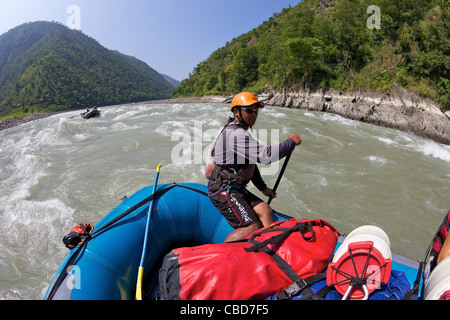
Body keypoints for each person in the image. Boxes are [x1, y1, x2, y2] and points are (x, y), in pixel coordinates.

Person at [205, 92, 302, 242]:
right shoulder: (236, 134)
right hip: (223, 189)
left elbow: (250, 164)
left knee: (265, 210)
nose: (254, 114)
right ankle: (221, 254)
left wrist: (262, 187)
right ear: (236, 112)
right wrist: (290, 142)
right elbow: (265, 156)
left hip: (234, 188)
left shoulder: (239, 131)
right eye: (249, 110)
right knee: (251, 226)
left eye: (256, 110)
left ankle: (268, 248)